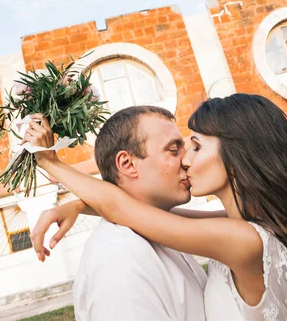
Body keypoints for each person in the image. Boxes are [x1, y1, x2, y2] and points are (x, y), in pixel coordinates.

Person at [26, 94, 287, 320]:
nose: (185, 160)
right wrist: (78, 205)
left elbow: (133, 213)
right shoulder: (254, 226)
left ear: (237, 153)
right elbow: (152, 214)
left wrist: (50, 163)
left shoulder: (244, 240)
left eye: (194, 146)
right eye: (178, 148)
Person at [31, 106, 208, 320]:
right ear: (127, 164)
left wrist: (79, 202)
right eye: (173, 150)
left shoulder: (165, 230)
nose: (187, 160)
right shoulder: (119, 261)